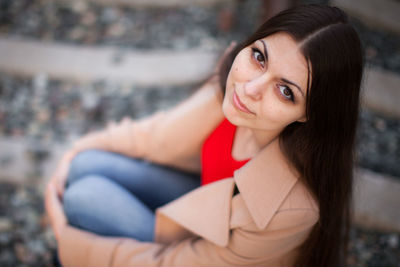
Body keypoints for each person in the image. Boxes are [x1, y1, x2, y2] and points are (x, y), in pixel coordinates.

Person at [45, 4, 364, 267]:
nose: (250, 88)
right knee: (85, 165)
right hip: (199, 200)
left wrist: (69, 243)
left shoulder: (291, 210)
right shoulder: (232, 81)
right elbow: (156, 134)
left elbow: (174, 264)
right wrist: (74, 151)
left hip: (210, 251)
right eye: (259, 56)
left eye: (284, 91)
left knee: (83, 199)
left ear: (310, 113)